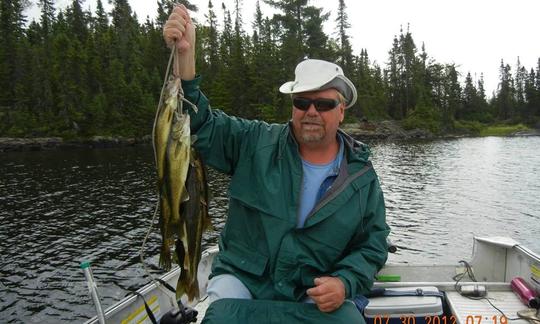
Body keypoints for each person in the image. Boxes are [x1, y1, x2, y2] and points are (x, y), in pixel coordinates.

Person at [163, 5, 390, 323]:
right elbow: (200, 124)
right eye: (302, 102)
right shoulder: (253, 142)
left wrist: (344, 282)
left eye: (323, 104)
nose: (311, 111)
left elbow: (373, 243)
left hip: (312, 293)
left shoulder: (363, 178)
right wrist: (184, 57)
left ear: (341, 112)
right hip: (243, 280)